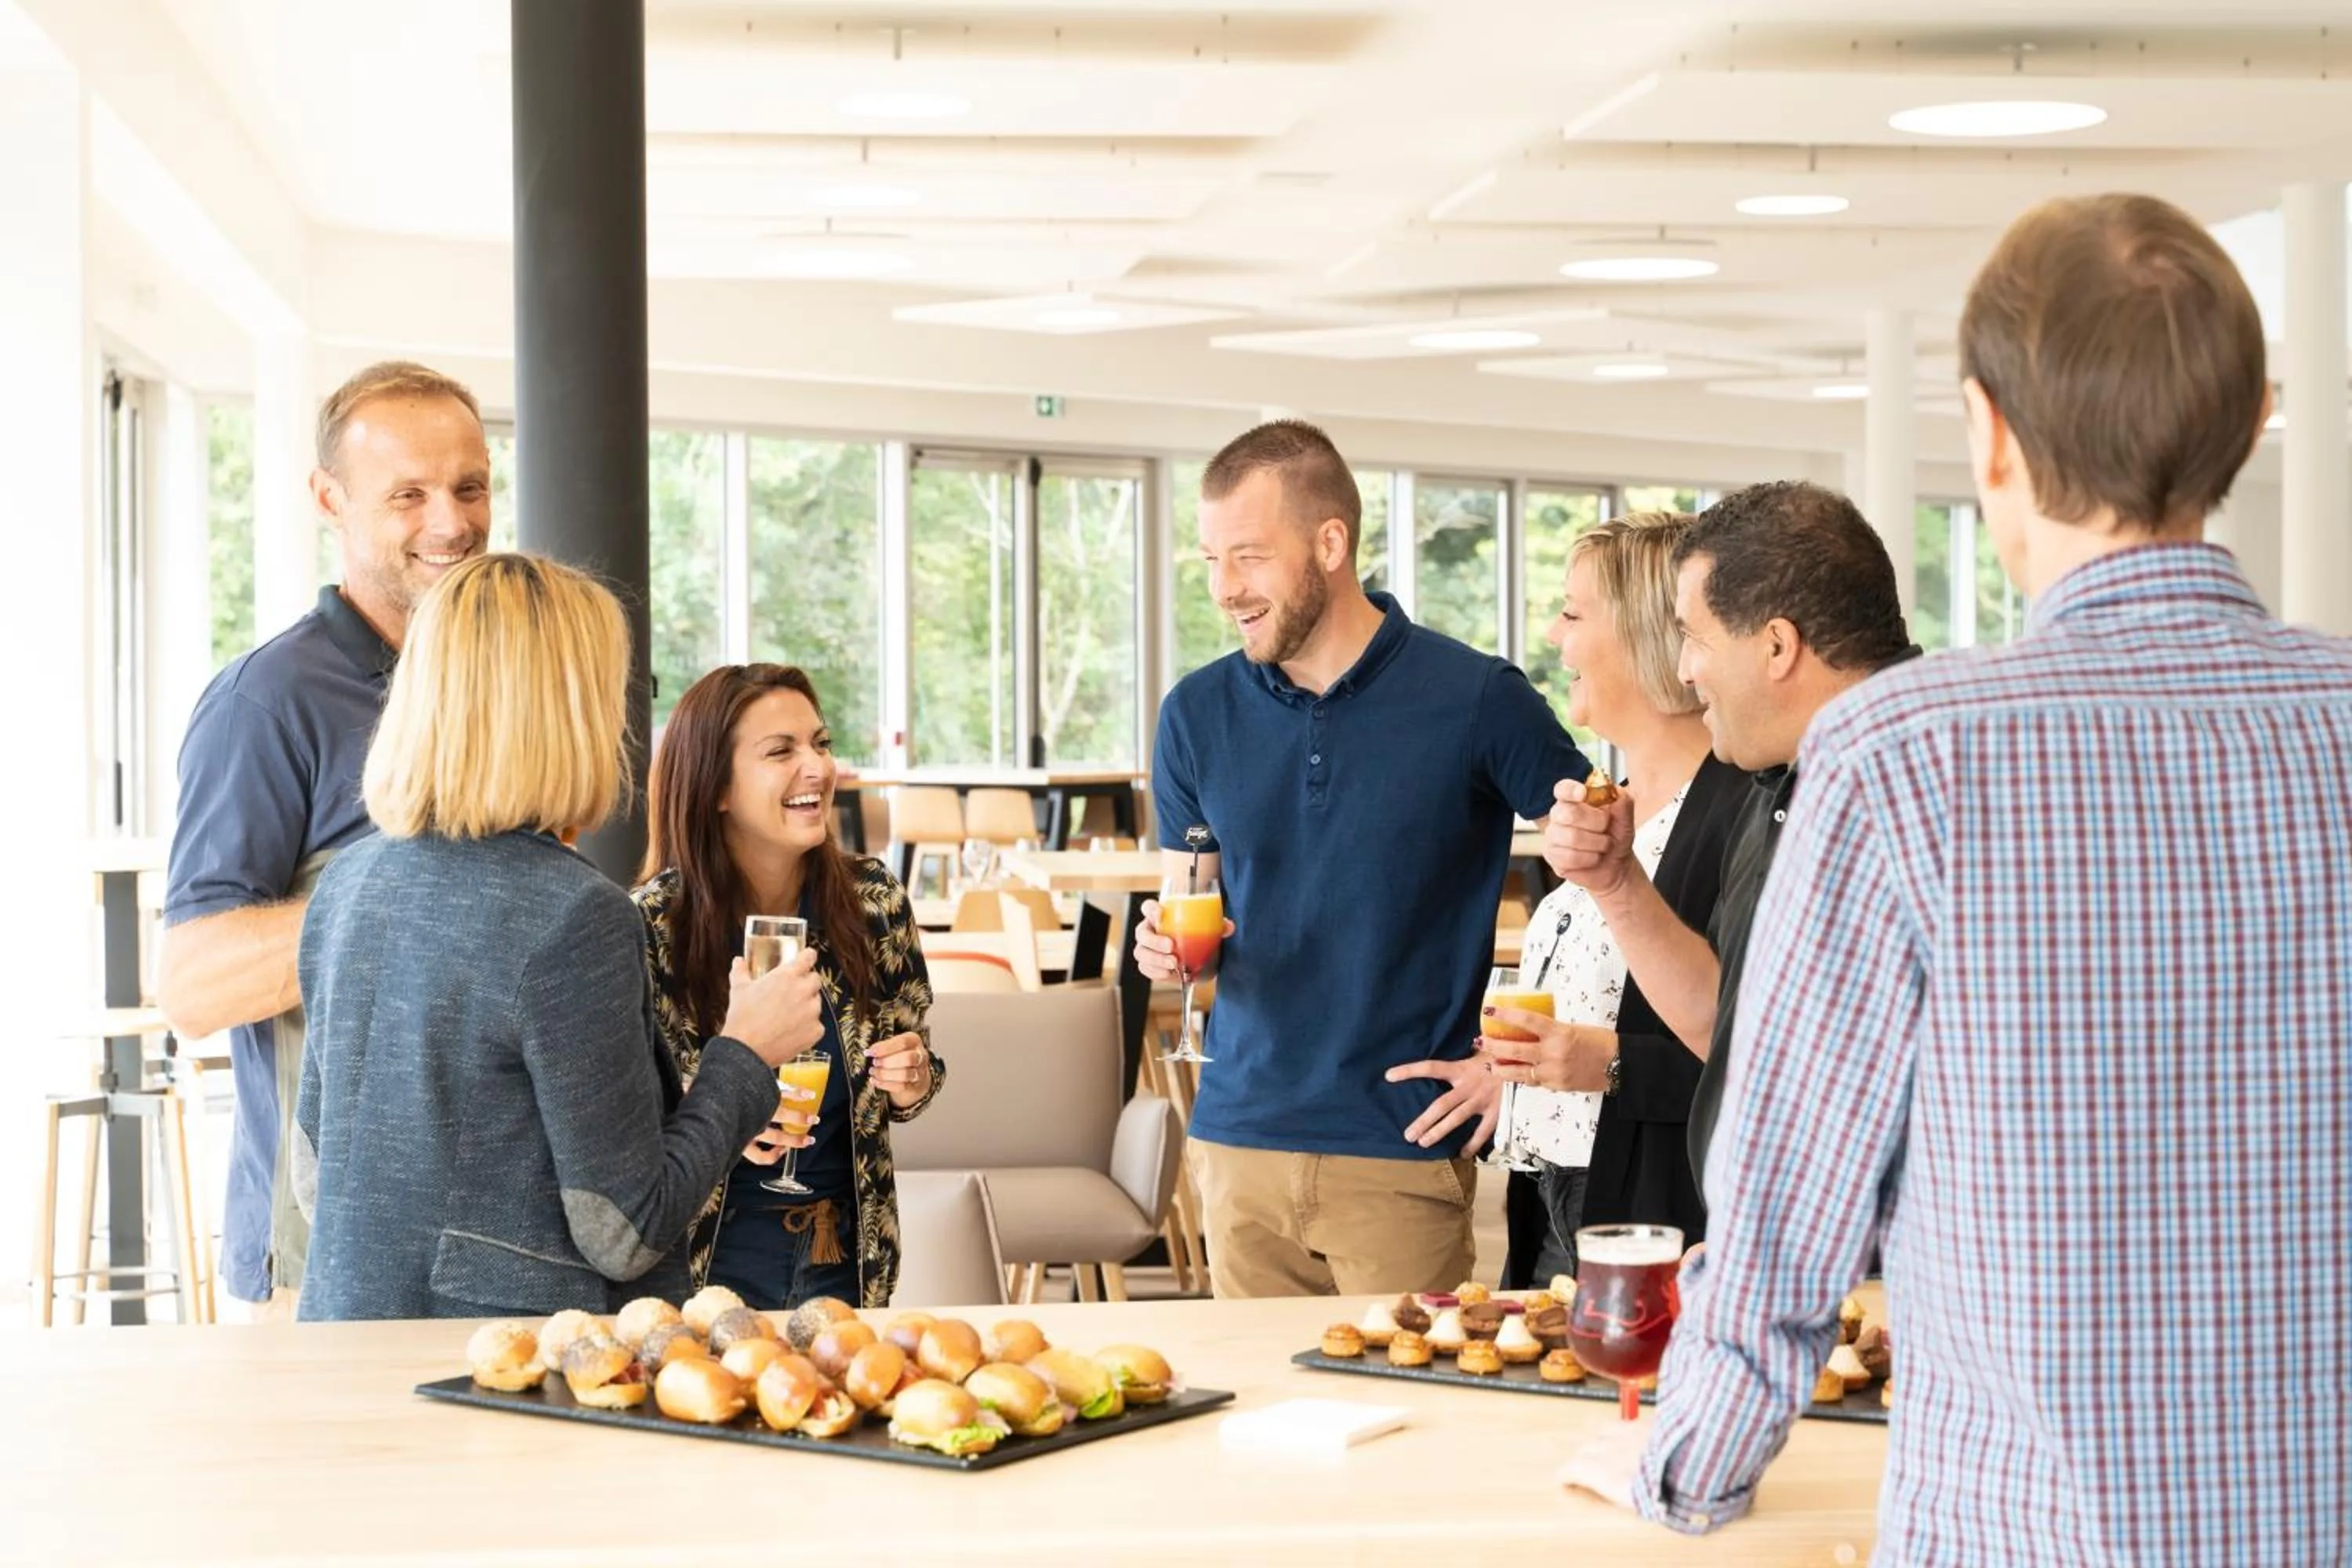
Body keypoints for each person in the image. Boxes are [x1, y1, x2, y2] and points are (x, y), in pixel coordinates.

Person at [1573, 193, 2352, 1563]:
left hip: (2031, 1532)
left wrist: (1680, 1469)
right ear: (2253, 418)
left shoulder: (1905, 755)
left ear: (1989, 432)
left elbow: (1784, 1217)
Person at [292, 555, 824, 1320]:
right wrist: (745, 1054)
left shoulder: (347, 884)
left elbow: (315, 1175)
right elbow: (626, 1228)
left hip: (348, 1339)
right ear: (564, 708)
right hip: (512, 1380)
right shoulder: (573, 914)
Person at [1135, 419, 1592, 1298]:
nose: (1225, 589)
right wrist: (1164, 942)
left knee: (1421, 1425)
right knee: (1254, 1427)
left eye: (1249, 557)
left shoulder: (1477, 698)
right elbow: (1189, 895)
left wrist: (1517, 1066)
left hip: (1400, 1150)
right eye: (1210, 561)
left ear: (1331, 542)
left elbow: (1615, 882)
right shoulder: (1192, 713)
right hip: (1237, 1144)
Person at [159, 360, 492, 1319]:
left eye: (470, 487)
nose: (451, 522)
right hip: (321, 1257)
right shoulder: (265, 702)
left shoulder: (493, 684)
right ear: (329, 500)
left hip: (491, 1244)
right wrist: (415, 893)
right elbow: (193, 985)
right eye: (409, 495)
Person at [1537, 480, 1915, 1214]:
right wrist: (1617, 881)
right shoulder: (1779, 782)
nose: (1683, 670)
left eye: (1694, 638)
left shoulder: (1918, 785)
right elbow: (1724, 1030)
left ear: (1777, 645)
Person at [1478, 514, 1748, 1283]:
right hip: (1552, 1201)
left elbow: (1761, 1045)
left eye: (1572, 612)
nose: (1555, 638)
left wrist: (1614, 1064)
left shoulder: (1741, 814)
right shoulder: (1609, 806)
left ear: (1647, 635)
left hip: (1659, 1220)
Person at [634, 663, 945, 1311]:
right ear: (715, 786)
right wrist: (719, 1112)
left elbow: (914, 1072)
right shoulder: (649, 927)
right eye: (781, 751)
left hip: (845, 1262)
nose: (819, 767)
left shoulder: (874, 901)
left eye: (822, 744)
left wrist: (915, 1079)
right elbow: (625, 1128)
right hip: (702, 1272)